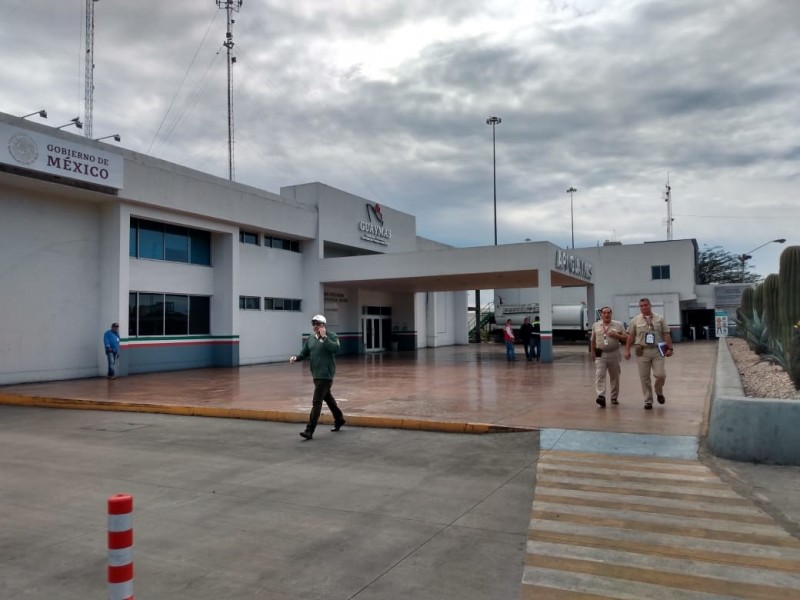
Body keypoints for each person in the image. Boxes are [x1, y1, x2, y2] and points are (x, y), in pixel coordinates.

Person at [290, 314, 346, 440]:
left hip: (326, 375)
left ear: (323, 325)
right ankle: (340, 419)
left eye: (317, 324)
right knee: (329, 399)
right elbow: (304, 352)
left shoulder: (331, 336)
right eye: (313, 324)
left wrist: (324, 337)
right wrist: (296, 358)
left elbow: (335, 348)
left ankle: (309, 430)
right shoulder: (310, 339)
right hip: (316, 374)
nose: (315, 326)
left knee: (317, 401)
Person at [624, 298, 674, 409]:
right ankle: (648, 400)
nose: (644, 307)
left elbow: (666, 334)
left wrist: (670, 348)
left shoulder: (659, 318)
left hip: (657, 350)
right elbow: (630, 336)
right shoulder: (635, 320)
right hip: (642, 351)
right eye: (641, 306)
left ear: (650, 305)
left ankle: (659, 392)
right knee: (644, 378)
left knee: (661, 375)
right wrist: (627, 350)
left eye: (646, 305)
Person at [589, 307, 627, 408]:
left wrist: (616, 336)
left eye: (608, 313)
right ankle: (601, 396)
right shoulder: (596, 325)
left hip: (614, 354)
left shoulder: (618, 325)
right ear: (601, 315)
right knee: (600, 375)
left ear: (611, 314)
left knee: (615, 377)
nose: (606, 315)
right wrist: (592, 352)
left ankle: (614, 397)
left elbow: (626, 338)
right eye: (604, 313)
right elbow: (593, 340)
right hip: (600, 354)